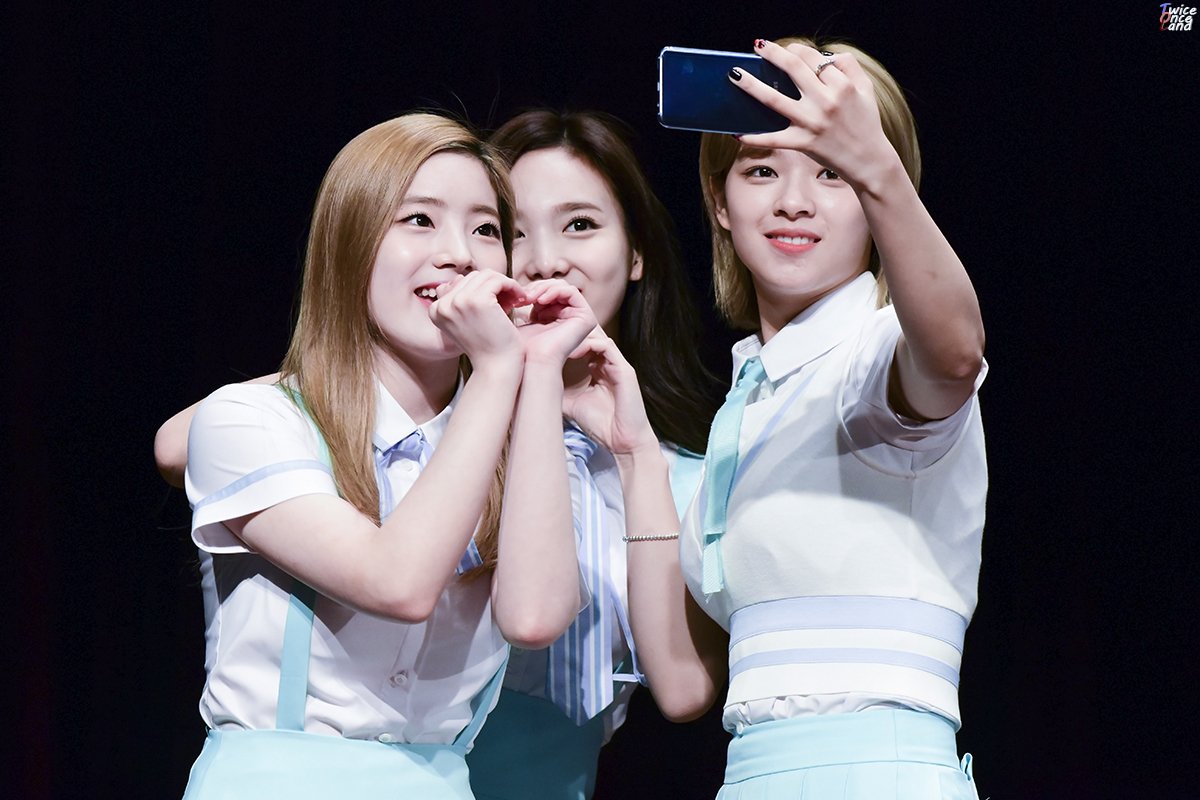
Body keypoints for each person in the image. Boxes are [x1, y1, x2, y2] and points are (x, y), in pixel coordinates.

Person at [154, 109, 721, 800]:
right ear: (351, 243)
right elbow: (398, 582)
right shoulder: (257, 419)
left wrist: (537, 371)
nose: (459, 253)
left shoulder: (509, 440)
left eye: (484, 229)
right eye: (419, 220)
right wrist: (499, 372)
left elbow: (535, 619)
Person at [564, 38, 988, 799]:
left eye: (832, 170)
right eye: (761, 170)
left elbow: (955, 356)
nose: (794, 201)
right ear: (720, 203)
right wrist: (633, 451)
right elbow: (684, 680)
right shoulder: (751, 397)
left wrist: (877, 165)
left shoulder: (875, 354)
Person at [465, 110, 722, 800]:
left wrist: (637, 458)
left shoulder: (682, 477)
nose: (546, 261)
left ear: (636, 254)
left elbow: (685, 691)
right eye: (511, 231)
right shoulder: (424, 433)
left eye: (580, 224)